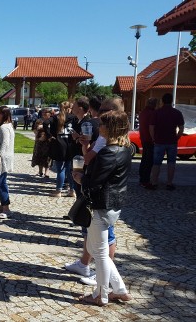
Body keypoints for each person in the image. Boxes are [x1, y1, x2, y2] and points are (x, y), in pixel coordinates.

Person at [73, 110, 132, 306]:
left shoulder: (109, 152)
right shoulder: (125, 149)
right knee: (95, 248)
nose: (100, 127)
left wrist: (81, 178)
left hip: (101, 206)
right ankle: (120, 290)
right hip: (112, 204)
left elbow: (95, 182)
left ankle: (100, 295)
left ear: (112, 128)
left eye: (104, 125)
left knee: (99, 253)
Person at [149, 93, 184, 191]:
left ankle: (154, 183)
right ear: (172, 101)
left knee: (156, 163)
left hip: (159, 141)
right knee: (171, 163)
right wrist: (177, 137)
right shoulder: (177, 113)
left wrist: (153, 138)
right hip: (172, 141)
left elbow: (151, 127)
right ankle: (169, 183)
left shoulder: (156, 112)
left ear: (162, 101)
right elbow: (181, 128)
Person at [48, 101, 74, 197]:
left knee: (60, 170)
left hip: (59, 145)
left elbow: (46, 122)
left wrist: (50, 134)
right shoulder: (72, 117)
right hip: (70, 145)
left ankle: (58, 191)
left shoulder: (56, 117)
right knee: (70, 170)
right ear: (69, 108)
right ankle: (72, 190)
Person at [138, 98, 157, 188]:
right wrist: (154, 139)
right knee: (149, 161)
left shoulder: (143, 112)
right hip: (149, 139)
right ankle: (145, 180)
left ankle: (142, 178)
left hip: (143, 138)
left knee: (144, 159)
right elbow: (151, 127)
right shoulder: (152, 113)